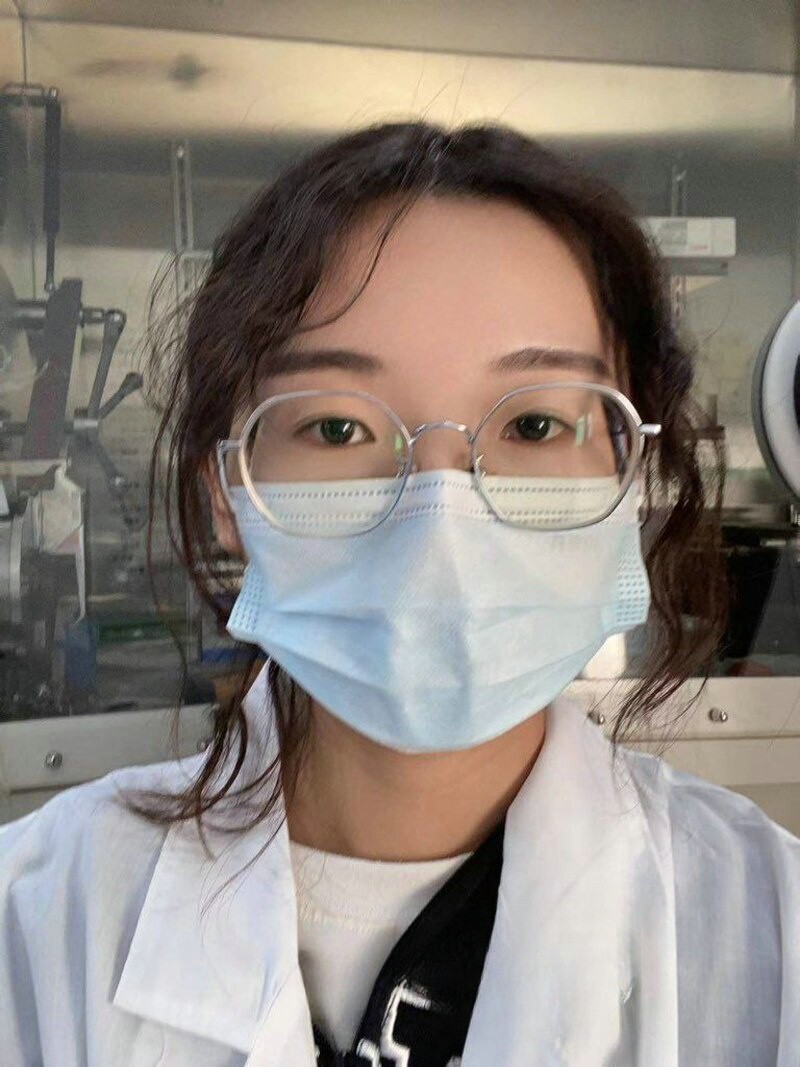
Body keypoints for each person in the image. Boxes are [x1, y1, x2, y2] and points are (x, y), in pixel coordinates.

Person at [1, 121, 798, 1067]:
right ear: (225, 494)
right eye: (338, 428)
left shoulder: (770, 929)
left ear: (630, 474)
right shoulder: (34, 922)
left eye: (536, 424)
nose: (441, 517)